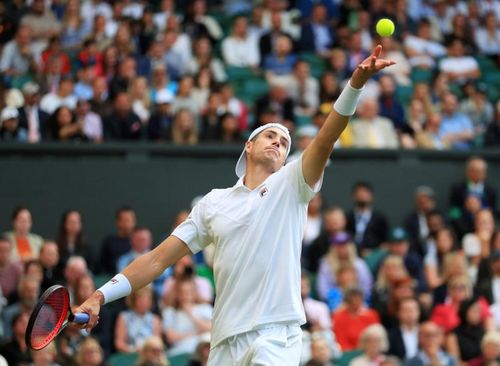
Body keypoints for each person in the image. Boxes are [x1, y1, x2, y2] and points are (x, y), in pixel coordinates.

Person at [77, 45, 395, 365]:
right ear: (249, 145)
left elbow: (326, 138)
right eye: (270, 136)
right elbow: (158, 259)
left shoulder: (292, 183)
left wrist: (355, 84)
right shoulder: (213, 202)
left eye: (284, 142)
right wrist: (99, 296)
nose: (278, 143)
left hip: (276, 333)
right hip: (224, 340)